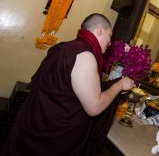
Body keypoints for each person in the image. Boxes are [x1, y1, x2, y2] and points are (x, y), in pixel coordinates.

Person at [1, 13, 135, 155]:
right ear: (100, 30)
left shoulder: (66, 47)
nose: (110, 42)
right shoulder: (85, 56)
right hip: (50, 141)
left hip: (35, 126)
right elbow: (94, 107)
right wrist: (119, 85)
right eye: (109, 35)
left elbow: (73, 88)